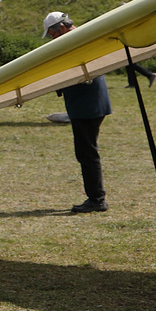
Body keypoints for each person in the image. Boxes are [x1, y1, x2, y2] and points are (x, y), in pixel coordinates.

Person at [43, 11, 112, 213]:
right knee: (86, 152)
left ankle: (97, 199)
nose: (52, 39)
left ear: (61, 28)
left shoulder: (78, 41)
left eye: (52, 35)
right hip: (89, 105)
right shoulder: (81, 38)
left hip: (87, 106)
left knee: (87, 153)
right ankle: (96, 198)